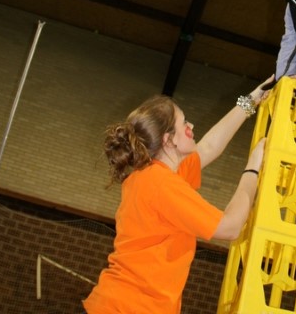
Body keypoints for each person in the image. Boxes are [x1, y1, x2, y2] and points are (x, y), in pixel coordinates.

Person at [82, 75, 274, 313]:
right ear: (168, 139)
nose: (190, 127)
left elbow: (208, 147)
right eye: (184, 123)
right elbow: (230, 227)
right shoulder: (161, 184)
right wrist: (253, 168)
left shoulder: (153, 174)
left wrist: (251, 100)